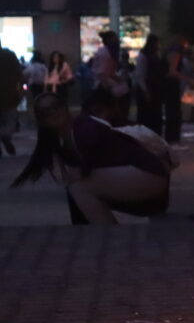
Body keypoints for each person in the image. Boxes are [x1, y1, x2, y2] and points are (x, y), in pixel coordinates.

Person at [12, 90, 170, 224]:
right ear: (41, 121)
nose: (53, 113)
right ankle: (97, 230)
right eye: (46, 112)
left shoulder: (83, 127)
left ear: (65, 108)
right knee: (75, 185)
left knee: (78, 187)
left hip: (149, 175)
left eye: (56, 107)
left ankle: (104, 234)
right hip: (148, 176)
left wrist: (82, 170)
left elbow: (93, 146)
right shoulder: (64, 139)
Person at [134, 34, 165, 136]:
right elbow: (140, 75)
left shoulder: (155, 54)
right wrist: (145, 90)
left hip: (155, 90)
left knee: (155, 116)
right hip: (147, 90)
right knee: (146, 116)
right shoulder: (144, 55)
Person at [163, 38, 190, 143]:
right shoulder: (176, 53)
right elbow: (172, 71)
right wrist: (187, 79)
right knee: (173, 111)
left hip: (170, 85)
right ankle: (172, 137)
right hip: (172, 85)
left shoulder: (170, 52)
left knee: (172, 110)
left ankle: (172, 136)